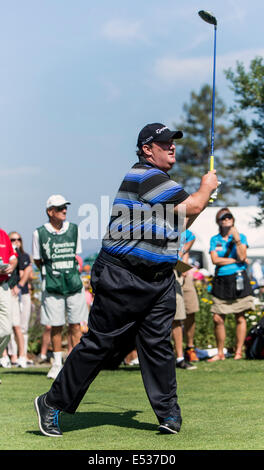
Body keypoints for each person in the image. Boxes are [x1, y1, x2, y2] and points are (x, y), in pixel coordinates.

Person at [34, 122, 218, 437]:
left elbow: (185, 217)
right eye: (164, 143)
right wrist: (206, 187)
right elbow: (196, 204)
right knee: (99, 344)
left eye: (173, 142)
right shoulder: (145, 176)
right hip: (122, 274)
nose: (172, 147)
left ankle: (168, 414)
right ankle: (51, 402)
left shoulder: (161, 184)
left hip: (158, 279)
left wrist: (202, 197)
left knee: (157, 344)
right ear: (147, 150)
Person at [32, 194, 88, 379]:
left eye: (65, 207)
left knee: (76, 324)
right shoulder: (39, 233)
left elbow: (76, 255)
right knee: (55, 325)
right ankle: (57, 363)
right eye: (60, 208)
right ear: (50, 212)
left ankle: (76, 364)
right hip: (53, 284)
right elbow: (38, 260)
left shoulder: (74, 229)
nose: (64, 210)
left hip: (73, 282)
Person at [208, 208, 255, 362]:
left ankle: (238, 351)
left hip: (238, 279)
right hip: (221, 280)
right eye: (223, 218)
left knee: (240, 316)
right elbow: (215, 260)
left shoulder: (241, 237)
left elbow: (243, 256)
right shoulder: (215, 239)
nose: (226, 220)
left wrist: (237, 241)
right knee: (217, 318)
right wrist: (235, 261)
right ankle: (220, 352)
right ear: (218, 221)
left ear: (233, 220)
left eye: (229, 217)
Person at [171, 230, 198, 369]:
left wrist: (182, 259)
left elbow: (191, 239)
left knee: (184, 314)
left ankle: (184, 354)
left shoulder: (184, 230)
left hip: (180, 274)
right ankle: (178, 356)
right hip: (169, 272)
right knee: (175, 317)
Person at [6, 232, 33, 367]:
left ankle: (22, 355)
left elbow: (28, 272)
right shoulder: (8, 256)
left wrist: (20, 284)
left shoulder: (23, 256)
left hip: (21, 294)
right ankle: (11, 355)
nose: (16, 241)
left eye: (18, 239)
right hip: (9, 293)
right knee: (8, 327)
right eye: (12, 239)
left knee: (20, 327)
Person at [0, 228, 18, 382]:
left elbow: (13, 257)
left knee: (6, 329)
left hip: (4, 285)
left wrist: (12, 265)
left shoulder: (3, 234)